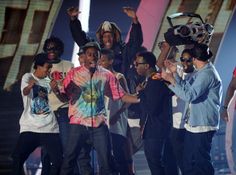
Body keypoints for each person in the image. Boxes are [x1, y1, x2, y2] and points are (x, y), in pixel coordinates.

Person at [58, 41, 140, 175]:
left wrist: (139, 97)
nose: (92, 57)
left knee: (107, 162)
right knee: (69, 160)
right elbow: (64, 97)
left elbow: (120, 95)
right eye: (89, 54)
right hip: (77, 125)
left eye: (95, 54)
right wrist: (57, 90)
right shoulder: (73, 74)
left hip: (98, 125)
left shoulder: (106, 75)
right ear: (84, 56)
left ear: (99, 55)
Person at [161, 43, 223, 175]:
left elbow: (188, 95)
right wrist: (175, 75)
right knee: (189, 163)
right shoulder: (202, 72)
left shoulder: (207, 74)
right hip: (194, 124)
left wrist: (171, 81)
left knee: (201, 163)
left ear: (194, 59)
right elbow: (187, 87)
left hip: (203, 125)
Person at [41, 36, 93, 175]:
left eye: (54, 48)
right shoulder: (42, 66)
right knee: (47, 151)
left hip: (65, 110)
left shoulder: (68, 65)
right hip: (47, 112)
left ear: (60, 50)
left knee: (69, 149)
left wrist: (58, 89)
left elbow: (73, 89)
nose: (51, 51)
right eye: (48, 48)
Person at [11, 53, 63, 175]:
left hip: (49, 127)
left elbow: (62, 98)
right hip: (30, 127)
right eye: (47, 67)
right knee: (17, 157)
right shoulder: (28, 77)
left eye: (50, 67)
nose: (49, 70)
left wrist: (55, 89)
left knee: (58, 161)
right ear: (38, 67)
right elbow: (25, 92)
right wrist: (30, 86)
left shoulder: (49, 80)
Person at [67, 6, 143, 73]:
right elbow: (81, 39)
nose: (108, 39)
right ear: (101, 37)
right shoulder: (96, 49)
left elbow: (135, 42)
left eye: (110, 36)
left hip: (119, 85)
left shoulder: (123, 50)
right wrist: (73, 20)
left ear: (115, 37)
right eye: (105, 36)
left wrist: (135, 20)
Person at [134, 51, 173, 175]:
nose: (135, 67)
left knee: (155, 164)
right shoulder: (153, 79)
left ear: (146, 66)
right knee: (161, 163)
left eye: (137, 64)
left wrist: (141, 92)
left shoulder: (154, 81)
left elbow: (151, 108)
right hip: (157, 128)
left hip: (155, 129)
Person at [100, 48, 134, 175]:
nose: (99, 63)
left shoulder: (118, 77)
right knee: (105, 154)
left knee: (119, 153)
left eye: (102, 60)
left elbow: (128, 99)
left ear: (111, 61)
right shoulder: (97, 77)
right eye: (99, 60)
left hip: (116, 120)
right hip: (103, 120)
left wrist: (118, 114)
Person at [170, 48, 195, 174]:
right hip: (176, 126)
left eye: (188, 60)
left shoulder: (198, 76)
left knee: (191, 162)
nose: (185, 62)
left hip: (191, 126)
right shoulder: (177, 71)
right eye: (182, 59)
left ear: (194, 60)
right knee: (179, 161)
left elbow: (186, 94)